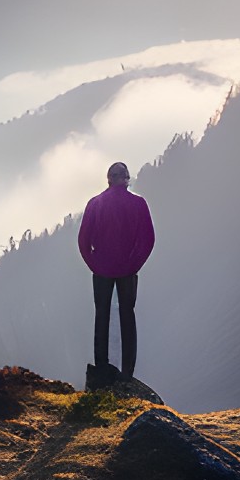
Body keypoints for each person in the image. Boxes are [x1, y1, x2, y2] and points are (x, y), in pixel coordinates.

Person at [78, 160, 154, 379]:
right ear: (127, 179)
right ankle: (127, 372)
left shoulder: (95, 203)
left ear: (108, 179)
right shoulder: (138, 204)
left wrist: (94, 263)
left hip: (101, 269)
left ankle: (101, 366)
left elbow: (83, 240)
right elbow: (147, 240)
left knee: (101, 315)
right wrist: (134, 264)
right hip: (128, 270)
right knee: (127, 316)